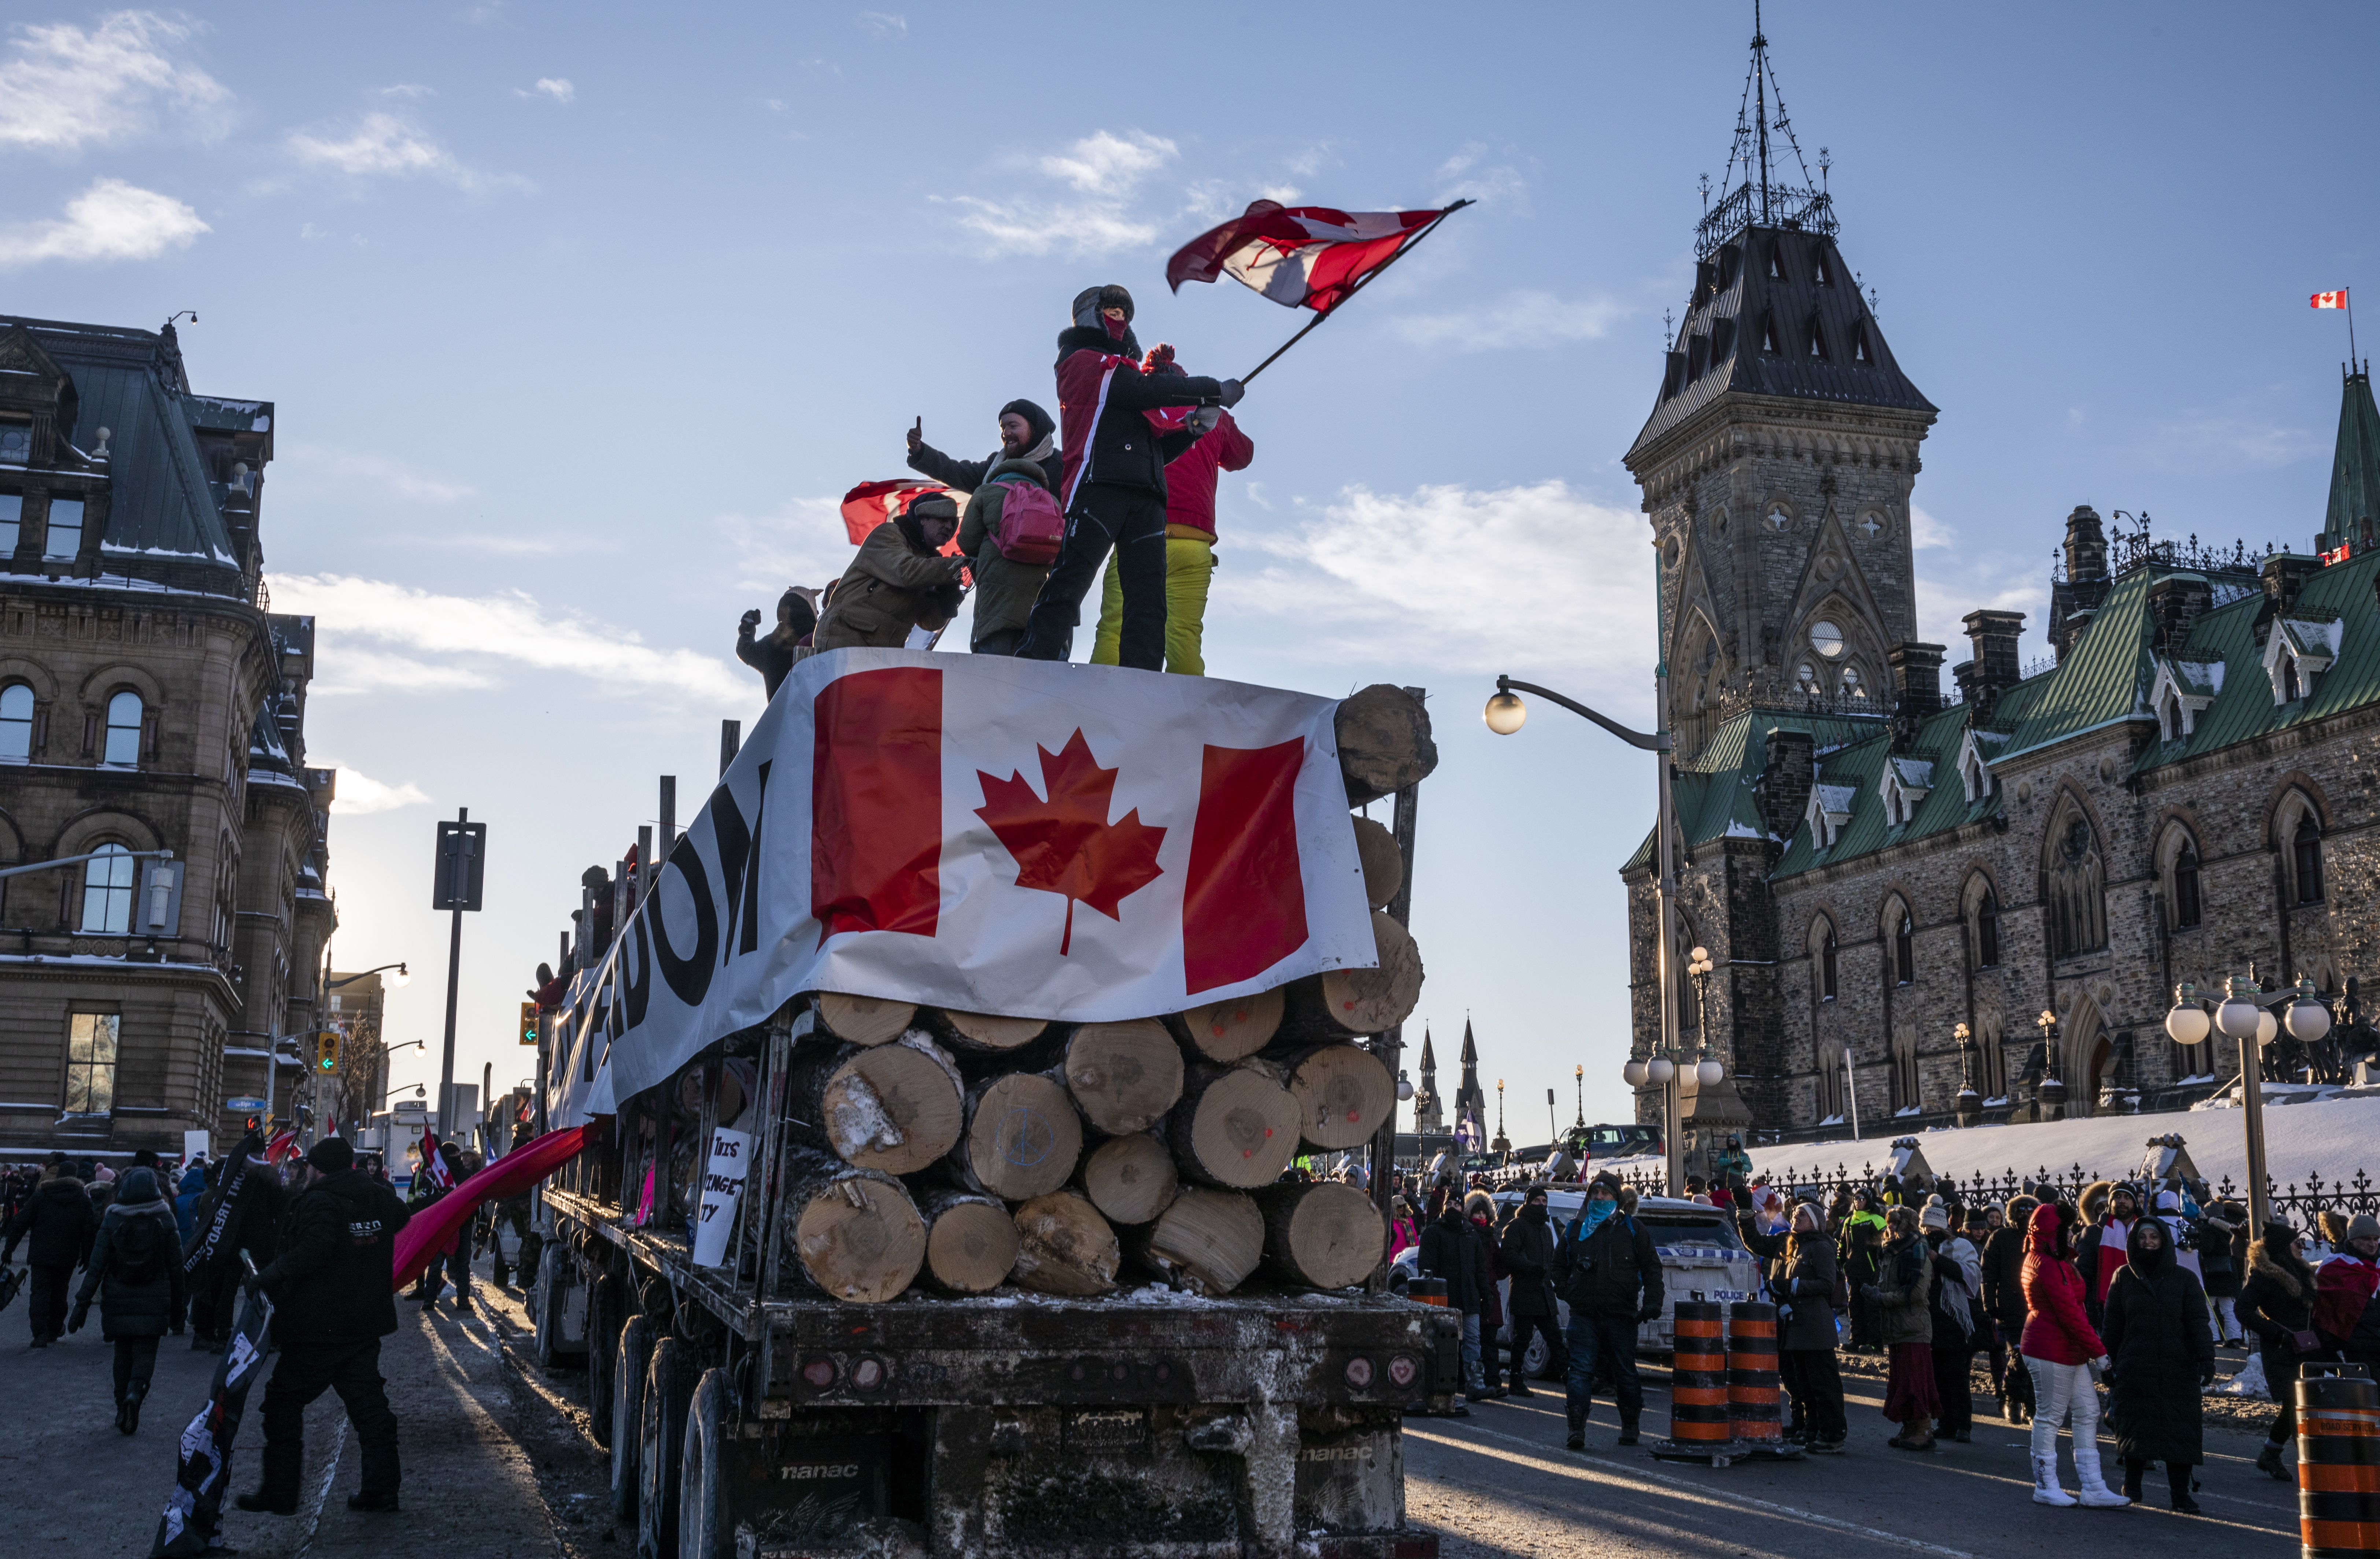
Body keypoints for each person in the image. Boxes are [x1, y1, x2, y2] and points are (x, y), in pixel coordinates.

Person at [1013, 285, 1242, 670]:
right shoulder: (1081, 362)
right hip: (1097, 488)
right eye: (1109, 309)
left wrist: (1191, 430)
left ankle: (1142, 681)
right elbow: (1139, 389)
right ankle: (1032, 665)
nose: (1117, 318)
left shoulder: (1126, 377)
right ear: (1090, 316)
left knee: (1148, 599)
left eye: (1123, 312)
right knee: (1070, 582)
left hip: (1146, 495)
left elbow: (1154, 449)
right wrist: (1211, 390)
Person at [239, 1138, 411, 1516]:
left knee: (282, 1403)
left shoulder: (319, 1200)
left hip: (318, 1326)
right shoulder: (378, 1196)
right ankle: (381, 1489)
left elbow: (315, 1248)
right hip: (364, 1324)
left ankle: (281, 1492)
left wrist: (268, 1276)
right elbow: (401, 1216)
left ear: (319, 1168)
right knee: (371, 1411)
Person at [1087, 346, 1250, 675]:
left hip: (1139, 536)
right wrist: (1219, 418)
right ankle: (1185, 719)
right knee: (1184, 637)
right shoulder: (1212, 415)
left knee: (1115, 630)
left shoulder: (1136, 410)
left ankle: (1097, 711)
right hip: (1193, 544)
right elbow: (1242, 456)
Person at [2103, 1216, 2214, 1512]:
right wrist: (2107, 1361)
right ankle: (2132, 1485)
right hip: (2135, 1366)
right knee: (2137, 1428)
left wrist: (2207, 1357)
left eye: (2154, 1237)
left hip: (2178, 1366)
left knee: (2180, 1431)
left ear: (2164, 1241)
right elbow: (2113, 1323)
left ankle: (2180, 1495)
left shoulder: (2184, 1279)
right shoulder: (2124, 1277)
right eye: (2143, 1238)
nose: (2148, 1243)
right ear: (2134, 1242)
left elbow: (2198, 1322)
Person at [1550, 1173, 1663, 1450]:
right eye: (1595, 1193)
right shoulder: (1576, 1230)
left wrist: (1652, 1304)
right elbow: (1557, 1266)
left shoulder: (1633, 1229)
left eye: (1606, 1194)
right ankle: (1576, 1428)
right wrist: (1568, 1291)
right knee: (1579, 1371)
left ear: (1617, 1198)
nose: (1600, 1198)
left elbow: (1651, 1267)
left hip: (1621, 1316)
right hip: (1584, 1315)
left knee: (1625, 1372)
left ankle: (1630, 1425)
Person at [68, 1164, 183, 1433]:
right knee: (145, 1352)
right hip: (155, 1299)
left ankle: (122, 1406)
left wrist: (81, 1305)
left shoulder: (112, 1219)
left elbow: (96, 1267)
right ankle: (136, 1393)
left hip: (118, 1298)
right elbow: (177, 1270)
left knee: (122, 1353)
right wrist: (179, 1310)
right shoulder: (166, 1219)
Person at [2019, 1201, 2116, 1506]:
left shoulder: (2051, 1260)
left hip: (2063, 1347)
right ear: (2055, 1232)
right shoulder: (2048, 1264)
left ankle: (2093, 1487)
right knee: (2049, 1417)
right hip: (2051, 1347)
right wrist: (2101, 1355)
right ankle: (2046, 1485)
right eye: (2068, 1229)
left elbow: (2072, 1314)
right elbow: (2070, 1314)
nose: (2073, 1233)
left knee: (2087, 1412)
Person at [812, 496, 968, 653]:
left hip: (886, 652)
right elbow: (906, 572)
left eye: (953, 523)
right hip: (846, 639)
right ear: (923, 518)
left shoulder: (932, 564)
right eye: (943, 520)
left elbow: (929, 623)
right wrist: (954, 566)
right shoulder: (888, 534)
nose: (949, 527)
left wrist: (948, 593)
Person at [956, 451, 1060, 655]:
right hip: (1043, 610)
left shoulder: (986, 492)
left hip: (997, 608)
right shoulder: (1053, 502)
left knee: (994, 681)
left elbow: (967, 542)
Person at [2237, 1219, 2318, 1481]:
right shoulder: (2266, 1276)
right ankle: (2311, 1466)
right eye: (2298, 1243)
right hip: (2282, 1350)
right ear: (2285, 1247)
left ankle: (2271, 1453)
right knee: (2295, 1405)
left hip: (2307, 1348)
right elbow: (2243, 1309)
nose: (2302, 1247)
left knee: (2297, 1406)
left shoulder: (2301, 1271)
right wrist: (2274, 1333)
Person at [1776, 1203, 1848, 1451]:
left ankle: (1832, 1433)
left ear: (1816, 1221)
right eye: (1795, 1214)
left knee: (1822, 1383)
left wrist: (1796, 1287)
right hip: (1798, 1326)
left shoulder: (1821, 1247)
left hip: (1816, 1327)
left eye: (1802, 1215)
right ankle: (1812, 1428)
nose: (1796, 1217)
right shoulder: (1798, 1246)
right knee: (1805, 1382)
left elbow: (1827, 1284)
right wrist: (1783, 1294)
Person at [2, 1154, 94, 1347]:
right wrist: (87, 1256)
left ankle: (40, 1333)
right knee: (60, 1293)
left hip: (41, 1254)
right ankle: (54, 1328)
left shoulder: (42, 1195)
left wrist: (9, 1249)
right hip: (67, 1255)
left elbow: (21, 1222)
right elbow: (88, 1231)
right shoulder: (82, 1199)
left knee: (39, 1294)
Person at [1871, 1204, 1939, 1451]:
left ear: (1908, 1224)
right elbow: (1886, 1284)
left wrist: (1884, 1299)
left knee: (1915, 1380)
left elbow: (1918, 1293)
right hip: (1896, 1326)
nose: (1891, 1228)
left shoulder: (1918, 1250)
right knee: (1901, 1380)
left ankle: (1923, 1428)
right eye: (1889, 1223)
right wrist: (1875, 1293)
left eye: (1896, 1223)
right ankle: (1910, 1427)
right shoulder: (1892, 1251)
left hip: (1913, 1326)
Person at [905, 399, 1062, 496]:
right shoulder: (994, 466)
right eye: (1002, 428)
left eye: (1013, 426)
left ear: (1035, 429)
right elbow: (955, 472)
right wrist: (919, 450)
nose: (1006, 433)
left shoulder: (1062, 466)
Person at [1418, 1193, 1488, 1400]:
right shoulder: (1434, 1232)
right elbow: (1426, 1268)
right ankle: (1440, 1384)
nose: (1453, 1208)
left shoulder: (1471, 1234)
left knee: (1473, 1340)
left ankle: (1475, 1384)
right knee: (1444, 1342)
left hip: (1469, 1298)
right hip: (1444, 1299)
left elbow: (1480, 1269)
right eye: (1449, 1203)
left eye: (1457, 1205)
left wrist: (1486, 1295)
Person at [1921, 1203, 1981, 1443]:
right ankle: (1945, 1422)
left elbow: (1971, 1276)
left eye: (1933, 1227)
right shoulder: (1920, 1247)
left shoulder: (1960, 1246)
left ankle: (1963, 1425)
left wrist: (1938, 1260)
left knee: (1957, 1376)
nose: (1929, 1231)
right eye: (1925, 1227)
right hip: (1931, 1318)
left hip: (1955, 1319)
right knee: (1938, 1377)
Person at [1500, 1185, 1566, 1399]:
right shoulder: (1516, 1226)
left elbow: (1552, 1262)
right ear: (1528, 1203)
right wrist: (1531, 1268)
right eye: (1537, 1201)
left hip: (1545, 1294)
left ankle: (1570, 1377)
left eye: (1544, 1201)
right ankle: (1516, 1379)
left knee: (1555, 1338)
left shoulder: (1546, 1230)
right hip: (1525, 1291)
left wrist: (1560, 1283)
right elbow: (1509, 1255)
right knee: (1522, 1339)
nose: (1541, 1205)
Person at [1981, 1194, 2038, 1422]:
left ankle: (2030, 1405)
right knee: (2019, 1355)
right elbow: (1988, 1274)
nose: (2025, 1214)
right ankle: (2012, 1399)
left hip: (2037, 1308)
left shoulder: (2040, 1237)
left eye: (2030, 1210)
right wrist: (1990, 1303)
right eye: (2021, 1209)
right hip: (2010, 1307)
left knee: (2035, 1359)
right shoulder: (2000, 1237)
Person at [2313, 1212, 2380, 1373]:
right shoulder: (2335, 1267)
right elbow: (2326, 1313)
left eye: (2375, 1239)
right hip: (2356, 1347)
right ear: (2352, 1240)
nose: (2372, 1244)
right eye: (2366, 1239)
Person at [735, 586, 819, 700]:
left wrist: (748, 625)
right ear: (810, 610)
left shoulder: (768, 646)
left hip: (781, 717)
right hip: (819, 715)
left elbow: (744, 650)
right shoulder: (819, 635)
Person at [2075, 1180, 2137, 1329]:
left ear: (2135, 1202)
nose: (2122, 1201)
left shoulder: (2145, 1232)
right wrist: (2090, 1310)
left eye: (2127, 1197)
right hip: (2104, 1310)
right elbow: (2083, 1275)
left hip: (2139, 1306)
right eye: (2118, 1197)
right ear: (2111, 1202)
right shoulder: (2093, 1233)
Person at [1467, 1190, 1509, 1398]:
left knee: (1490, 1340)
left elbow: (1500, 1268)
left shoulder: (1491, 1238)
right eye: (1477, 1213)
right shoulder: (1467, 1235)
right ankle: (1476, 1381)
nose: (1481, 1217)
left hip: (1490, 1293)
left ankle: (1493, 1381)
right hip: (1473, 1292)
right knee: (1474, 1340)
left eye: (1484, 1213)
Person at [1841, 1189, 1886, 1352]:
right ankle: (1856, 1341)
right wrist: (1842, 1264)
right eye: (1856, 1199)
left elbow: (1885, 1245)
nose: (1858, 1202)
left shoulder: (1877, 1219)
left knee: (1872, 1309)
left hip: (1871, 1271)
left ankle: (1876, 1344)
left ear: (1869, 1201)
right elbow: (1843, 1246)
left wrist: (1880, 1269)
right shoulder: (1849, 1221)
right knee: (1855, 1307)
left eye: (1862, 1199)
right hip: (1853, 1272)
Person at [2199, 1197, 2246, 1344]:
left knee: (2209, 1308)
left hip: (2212, 1275)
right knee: (2229, 1309)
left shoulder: (2209, 1228)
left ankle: (2213, 1337)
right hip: (2230, 1273)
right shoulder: (2232, 1229)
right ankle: (2234, 1338)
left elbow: (2207, 1248)